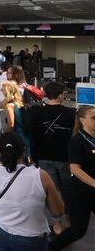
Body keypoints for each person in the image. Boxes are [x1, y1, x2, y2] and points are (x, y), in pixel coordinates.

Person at [0, 132, 64, 251]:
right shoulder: (40, 176)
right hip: (32, 238)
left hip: (0, 232)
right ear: (24, 151)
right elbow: (58, 211)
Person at [29, 81, 74, 235]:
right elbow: (73, 138)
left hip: (44, 157)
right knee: (67, 190)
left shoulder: (37, 113)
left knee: (50, 192)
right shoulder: (71, 114)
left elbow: (33, 138)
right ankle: (69, 220)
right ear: (61, 95)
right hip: (65, 158)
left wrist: (34, 157)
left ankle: (57, 224)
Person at [49, 105, 95, 250]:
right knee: (77, 231)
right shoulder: (77, 140)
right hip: (81, 192)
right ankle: (51, 247)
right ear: (82, 120)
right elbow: (75, 169)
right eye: (93, 118)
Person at [2, 80, 31, 161]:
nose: (1, 90)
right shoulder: (19, 103)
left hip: (18, 138)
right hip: (26, 138)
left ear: (8, 90)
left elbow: (11, 124)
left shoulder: (10, 105)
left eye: (3, 89)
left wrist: (6, 137)